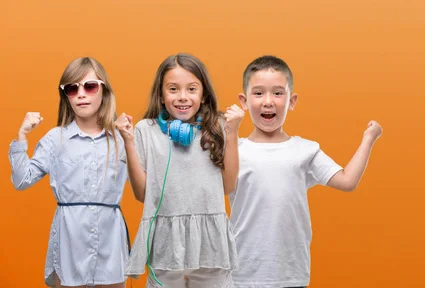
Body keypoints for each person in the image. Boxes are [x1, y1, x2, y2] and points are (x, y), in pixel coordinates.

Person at [229, 55, 383, 288]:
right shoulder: (233, 150)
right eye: (258, 93)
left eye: (278, 93)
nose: (268, 101)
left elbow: (347, 181)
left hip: (291, 273)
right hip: (241, 274)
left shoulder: (305, 150)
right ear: (244, 101)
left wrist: (368, 139)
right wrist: (228, 133)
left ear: (292, 101)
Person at [116, 53, 243, 287]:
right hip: (166, 247)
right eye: (173, 89)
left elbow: (229, 186)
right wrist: (129, 142)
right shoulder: (146, 130)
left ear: (204, 94)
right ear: (161, 96)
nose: (182, 97)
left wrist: (232, 133)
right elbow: (142, 194)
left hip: (210, 246)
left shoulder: (219, 126)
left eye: (192, 89)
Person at [9, 57, 129, 287]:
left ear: (103, 90)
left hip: (110, 241)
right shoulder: (56, 139)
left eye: (90, 86)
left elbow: (144, 185)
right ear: (66, 96)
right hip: (70, 242)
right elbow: (22, 180)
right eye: (72, 88)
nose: (81, 94)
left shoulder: (121, 139)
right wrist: (22, 137)